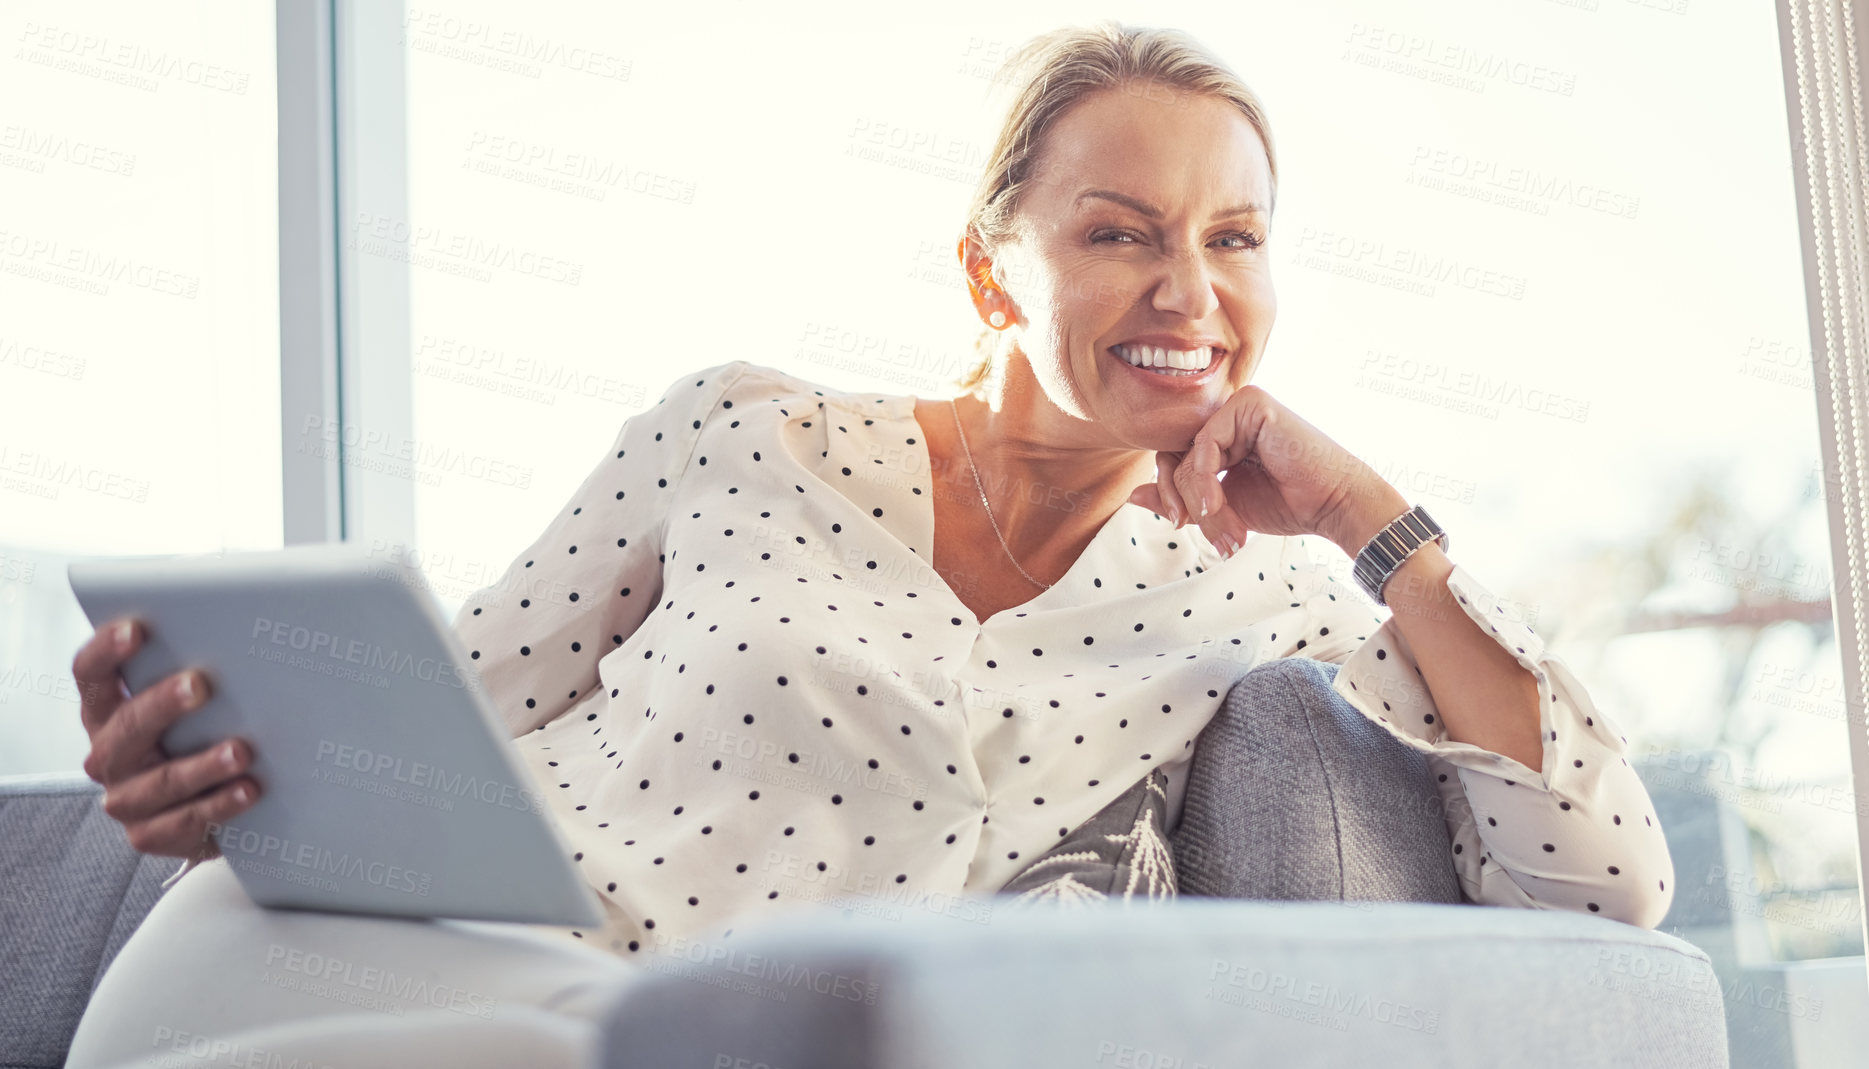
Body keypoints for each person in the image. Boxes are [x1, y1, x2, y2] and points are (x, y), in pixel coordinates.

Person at [64, 21, 1673, 1069]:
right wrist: (200, 776)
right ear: (990, 274)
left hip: (695, 1038)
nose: (1189, 290)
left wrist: (1359, 518)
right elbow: (434, 719)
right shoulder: (735, 432)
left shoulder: (1254, 591)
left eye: (1233, 238)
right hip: (382, 965)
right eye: (1118, 232)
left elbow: (1608, 891)